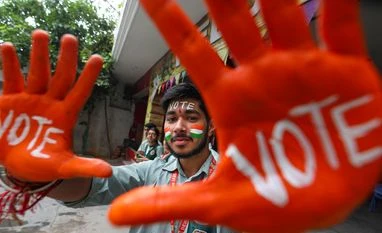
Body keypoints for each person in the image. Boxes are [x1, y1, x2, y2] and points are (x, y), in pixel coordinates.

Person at [47, 82, 236, 233]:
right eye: (171, 119)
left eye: (191, 117)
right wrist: (42, 176)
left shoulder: (233, 182)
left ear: (211, 126)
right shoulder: (151, 171)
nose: (178, 127)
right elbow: (96, 184)